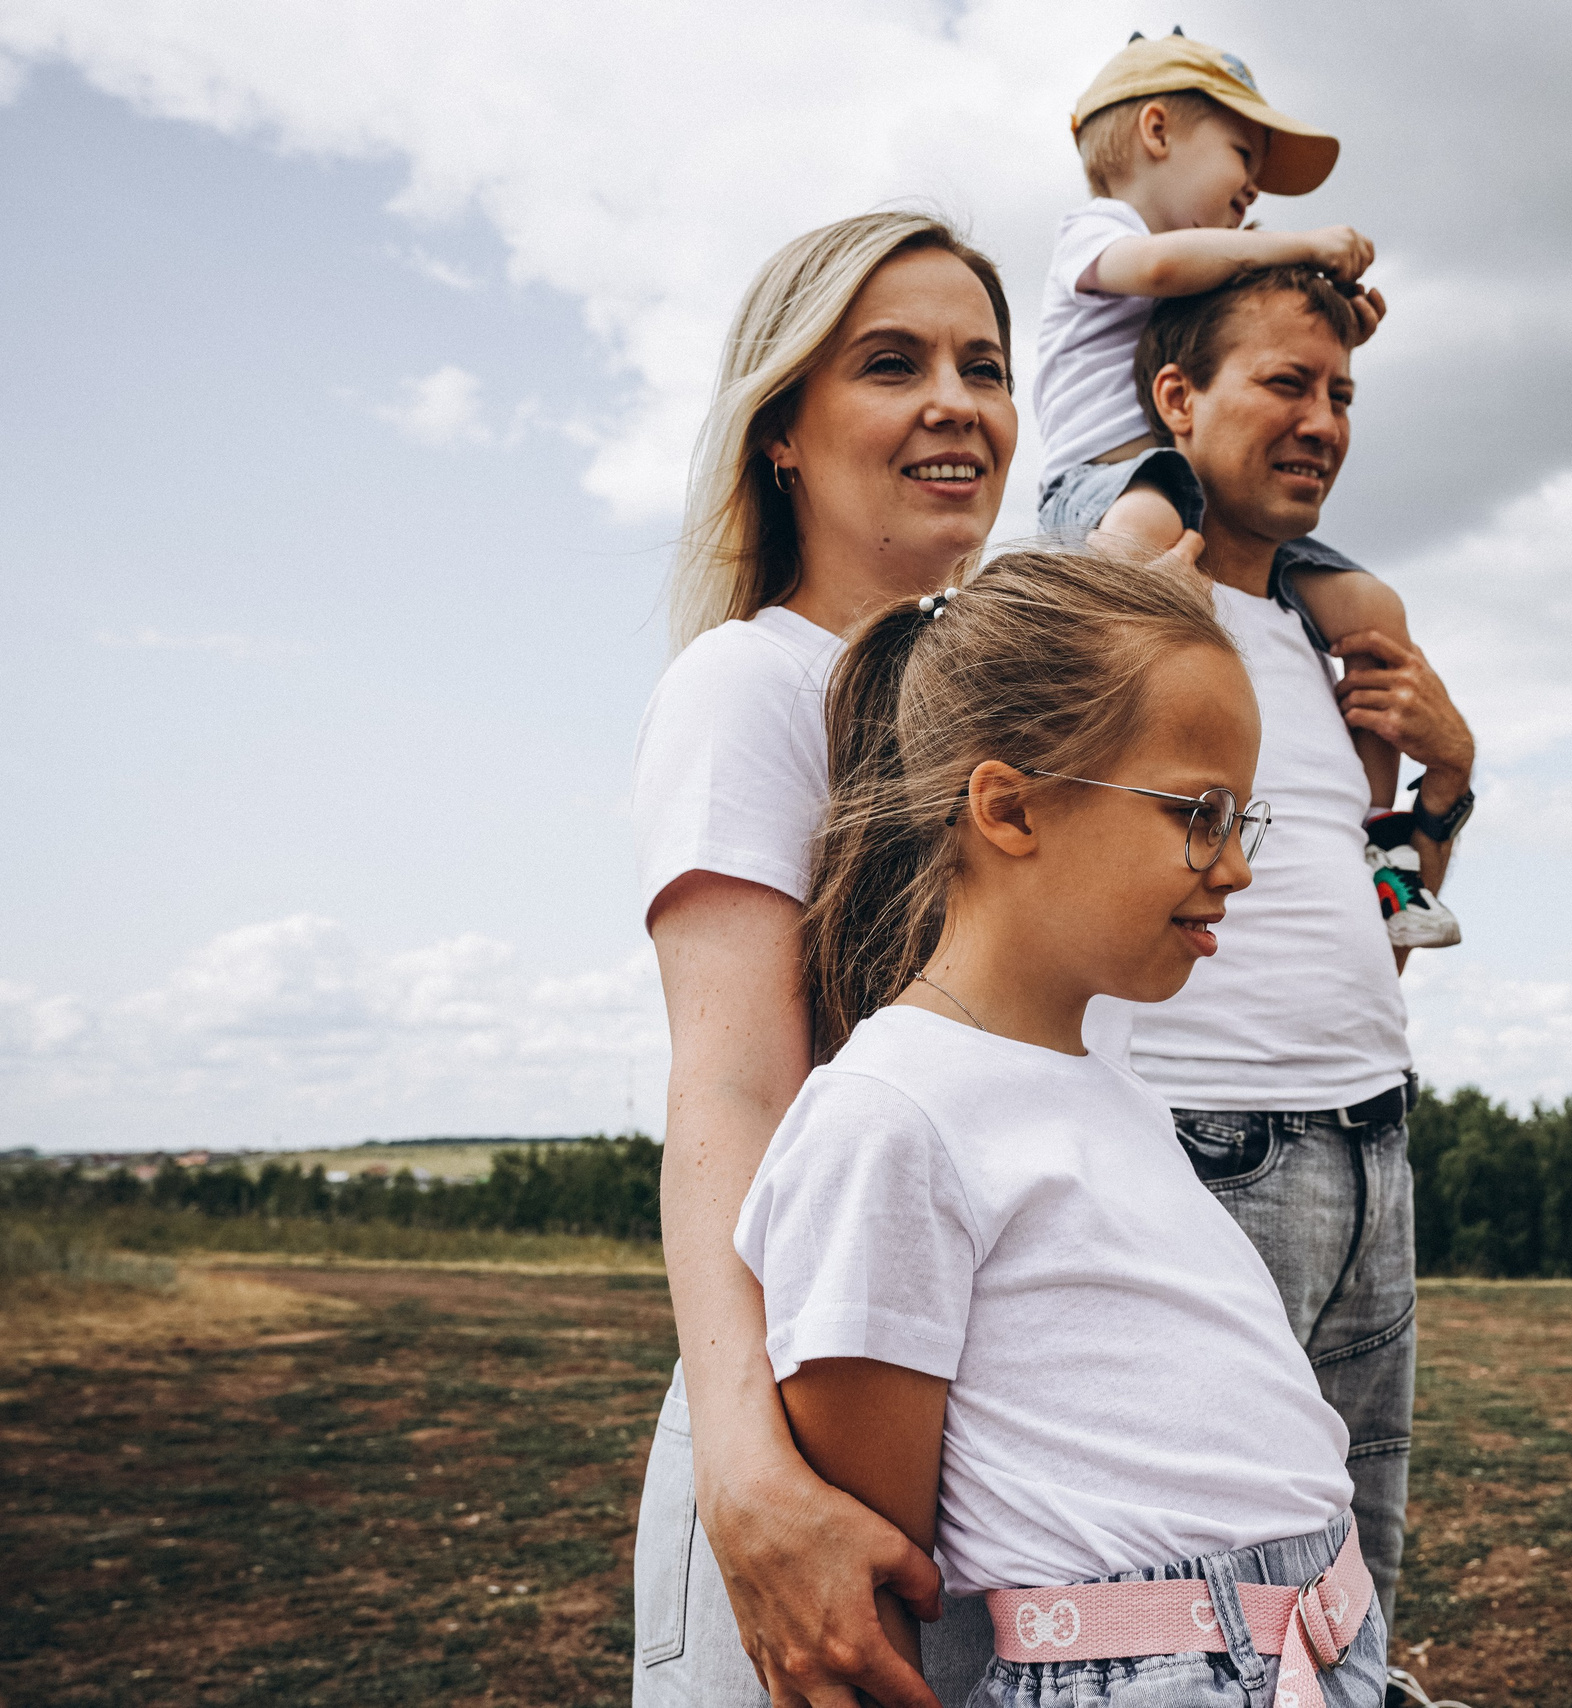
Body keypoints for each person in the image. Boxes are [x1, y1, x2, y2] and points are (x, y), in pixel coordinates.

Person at [736, 545, 1387, 1708]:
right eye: (1198, 814)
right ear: (1009, 806)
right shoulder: (888, 1118)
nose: (1236, 868)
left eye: (1243, 819)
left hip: (1315, 1653)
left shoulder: (1110, 1089)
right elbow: (877, 1587)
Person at [630, 209, 1040, 1708]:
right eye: (891, 364)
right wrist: (749, 1478)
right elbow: (732, 1093)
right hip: (812, 1455)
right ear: (782, 434)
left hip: (1009, 1464)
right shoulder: (753, 684)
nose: (956, 403)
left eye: (984, 367)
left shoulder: (1027, 734)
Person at [1097, 264, 1479, 1641]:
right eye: (1285, 384)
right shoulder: (1133, 611)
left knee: (1354, 1579)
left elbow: (1380, 935)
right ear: (1178, 400)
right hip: (1207, 1142)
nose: (1323, 422)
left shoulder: (1327, 653)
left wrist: (1447, 785)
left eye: (1342, 395)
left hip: (1372, 1136)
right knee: (1211, 1597)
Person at [1035, 34, 1455, 948]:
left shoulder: (1204, 269)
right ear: (1156, 131)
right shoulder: (1102, 234)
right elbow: (1164, 273)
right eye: (1241, 154)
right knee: (1144, 536)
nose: (1255, 188)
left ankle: (1379, 847)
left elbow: (1234, 324)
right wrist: (1303, 244)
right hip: (1104, 482)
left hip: (1180, 487)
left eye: (1337, 395)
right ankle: (1076, 698)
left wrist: (1324, 321)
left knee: (1374, 611)